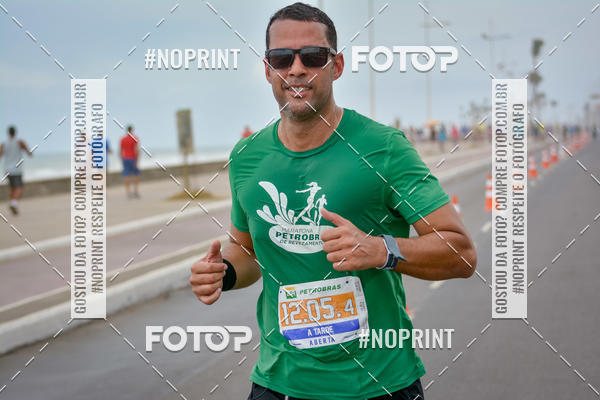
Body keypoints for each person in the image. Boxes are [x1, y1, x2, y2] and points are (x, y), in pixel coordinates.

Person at [189, 3, 477, 399]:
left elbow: (461, 255)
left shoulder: (383, 148)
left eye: (312, 56)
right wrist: (223, 272)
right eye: (282, 58)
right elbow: (248, 251)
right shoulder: (247, 156)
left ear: (336, 66)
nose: (296, 69)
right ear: (268, 69)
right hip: (278, 383)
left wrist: (381, 250)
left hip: (377, 385)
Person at [0, 126, 32, 215]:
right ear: (15, 132)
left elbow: (0, 155)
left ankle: (13, 204)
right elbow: (29, 152)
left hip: (7, 169)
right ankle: (14, 203)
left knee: (12, 188)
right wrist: (29, 153)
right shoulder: (19, 142)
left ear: (8, 133)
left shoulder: (4, 144)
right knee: (19, 187)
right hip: (17, 169)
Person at [120, 125, 140, 198]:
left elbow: (121, 151)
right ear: (132, 130)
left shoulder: (123, 139)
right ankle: (136, 191)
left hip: (125, 158)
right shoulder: (135, 138)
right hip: (133, 158)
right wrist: (137, 161)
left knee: (126, 175)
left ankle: (128, 192)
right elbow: (136, 150)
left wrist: (122, 160)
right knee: (135, 175)